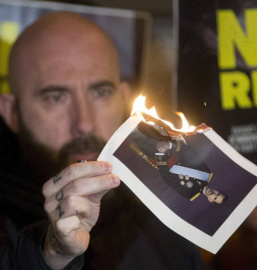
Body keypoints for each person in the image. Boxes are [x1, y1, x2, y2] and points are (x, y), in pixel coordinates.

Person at [0, 11, 207, 269]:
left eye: (100, 92)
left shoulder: (162, 224)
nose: (84, 123)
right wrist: (48, 253)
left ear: (123, 97)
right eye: (55, 97)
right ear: (10, 112)